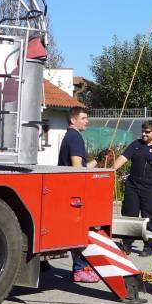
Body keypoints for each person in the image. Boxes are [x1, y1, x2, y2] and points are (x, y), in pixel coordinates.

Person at [112, 120, 152, 257]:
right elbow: (123, 158)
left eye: (147, 132)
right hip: (133, 185)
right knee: (129, 214)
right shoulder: (136, 145)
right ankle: (127, 244)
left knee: (149, 216)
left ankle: (149, 245)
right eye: (143, 131)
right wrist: (110, 171)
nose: (144, 134)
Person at [57, 107, 101, 283]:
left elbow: (79, 166)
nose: (87, 121)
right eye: (83, 118)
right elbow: (77, 169)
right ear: (73, 120)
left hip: (67, 189)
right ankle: (80, 269)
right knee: (82, 231)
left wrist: (97, 160)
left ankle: (80, 268)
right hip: (75, 192)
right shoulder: (75, 138)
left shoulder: (68, 136)